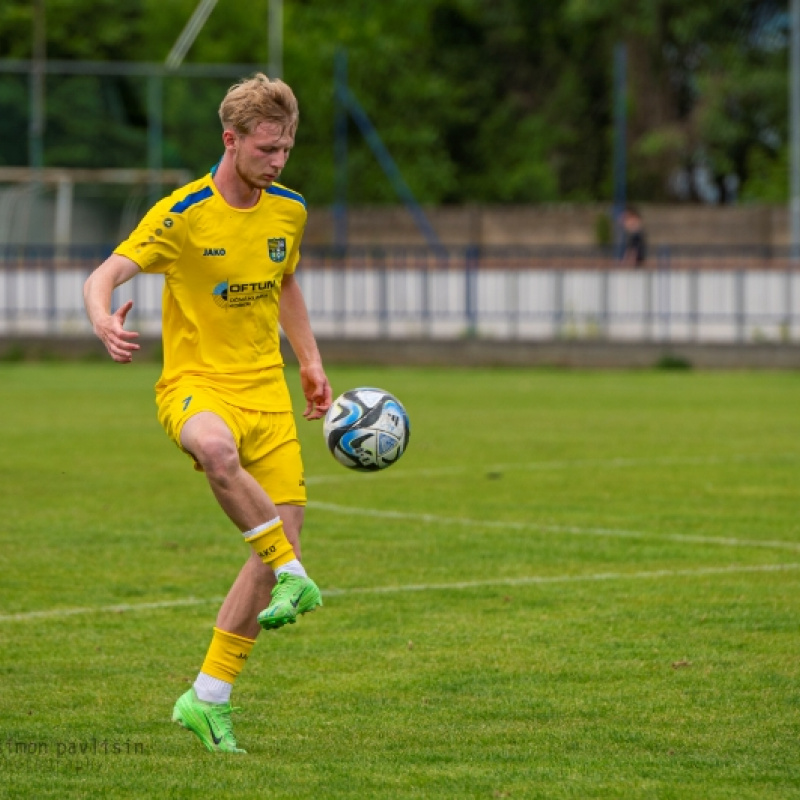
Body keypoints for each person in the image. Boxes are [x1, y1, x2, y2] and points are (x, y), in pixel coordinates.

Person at [83, 73, 333, 755]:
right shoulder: (183, 212)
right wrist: (104, 320)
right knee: (222, 462)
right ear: (231, 140)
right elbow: (102, 275)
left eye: (285, 149)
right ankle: (297, 574)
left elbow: (284, 282)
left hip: (269, 396)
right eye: (265, 149)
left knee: (269, 546)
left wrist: (309, 361)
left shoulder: (289, 210)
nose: (277, 162)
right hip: (196, 387)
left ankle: (208, 697)